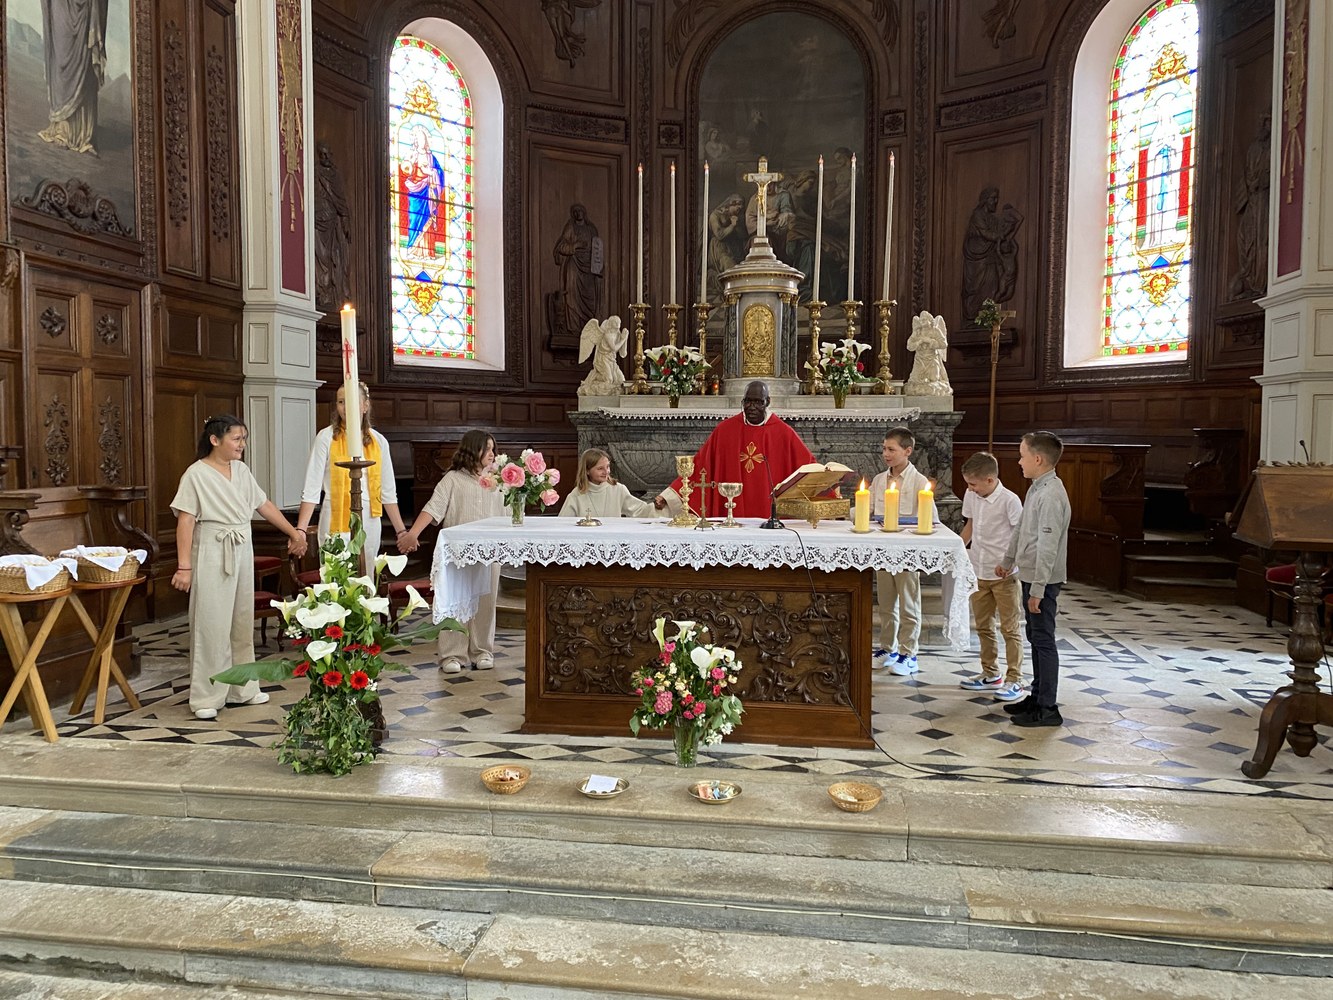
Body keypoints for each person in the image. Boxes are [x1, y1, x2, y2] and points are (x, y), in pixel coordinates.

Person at [170, 415, 307, 721]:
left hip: (242, 546)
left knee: (241, 620)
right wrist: (184, 566)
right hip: (212, 548)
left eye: (243, 439)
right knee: (211, 623)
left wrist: (294, 533)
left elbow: (263, 504)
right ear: (214, 440)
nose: (242, 444)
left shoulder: (241, 470)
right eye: (236, 439)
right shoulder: (195, 474)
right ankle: (207, 696)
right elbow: (186, 521)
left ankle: (242, 688)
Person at [401, 429, 503, 673]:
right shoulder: (453, 479)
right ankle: (452, 655)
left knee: (486, 603)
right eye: (487, 448)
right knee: (454, 602)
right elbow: (432, 508)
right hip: (458, 554)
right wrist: (413, 533)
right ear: (473, 449)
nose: (492, 454)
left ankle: (482, 651)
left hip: (488, 552)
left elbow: (510, 513)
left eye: (493, 449)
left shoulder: (499, 481)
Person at [996, 431, 1071, 728]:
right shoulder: (1036, 488)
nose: (1019, 461)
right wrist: (1008, 560)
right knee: (1035, 637)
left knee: (1043, 640)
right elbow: (1022, 530)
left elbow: (1048, 547)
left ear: (1037, 459)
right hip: (1031, 575)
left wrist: (1038, 589)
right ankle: (1037, 697)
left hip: (1044, 580)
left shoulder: (1051, 495)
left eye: (1022, 456)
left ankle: (1048, 707)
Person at [653, 381, 814, 520]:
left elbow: (808, 466)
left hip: (770, 514)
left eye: (758, 402)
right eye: (748, 402)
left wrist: (827, 487)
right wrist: (668, 496)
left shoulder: (783, 433)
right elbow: (700, 465)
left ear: (767, 402)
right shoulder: (726, 430)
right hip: (729, 513)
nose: (752, 407)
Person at [296, 382, 408, 567]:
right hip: (335, 515)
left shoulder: (379, 442)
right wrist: (300, 530)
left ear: (365, 406)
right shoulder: (326, 438)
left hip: (370, 518)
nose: (345, 407)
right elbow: (311, 489)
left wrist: (401, 531)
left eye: (352, 401)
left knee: (367, 573)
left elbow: (388, 492)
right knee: (335, 574)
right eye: (341, 402)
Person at [957, 451, 1025, 702]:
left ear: (989, 479)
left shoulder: (1010, 500)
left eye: (973, 484)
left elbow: (1019, 535)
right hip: (979, 570)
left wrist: (1010, 562)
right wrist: (957, 551)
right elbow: (970, 525)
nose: (969, 488)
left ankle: (1015, 679)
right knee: (983, 626)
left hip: (1004, 574)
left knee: (1010, 628)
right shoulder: (972, 495)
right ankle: (990, 673)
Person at [869, 427, 930, 676]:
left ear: (907, 451)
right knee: (886, 603)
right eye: (884, 449)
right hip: (884, 549)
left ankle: (909, 653)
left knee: (908, 604)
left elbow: (929, 518)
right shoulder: (879, 480)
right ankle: (888, 648)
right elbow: (867, 510)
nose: (886, 454)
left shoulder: (919, 482)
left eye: (891, 449)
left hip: (907, 551)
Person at [39, 0, 110, 155]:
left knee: (86, 62)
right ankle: (62, 129)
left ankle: (84, 135)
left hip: (87, 8)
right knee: (61, 56)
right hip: (62, 6)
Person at [561, 449, 653, 519]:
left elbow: (640, 511)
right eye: (600, 468)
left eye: (608, 466)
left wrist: (659, 505)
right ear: (587, 471)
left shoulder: (618, 490)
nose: (606, 472)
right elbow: (563, 523)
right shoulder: (576, 495)